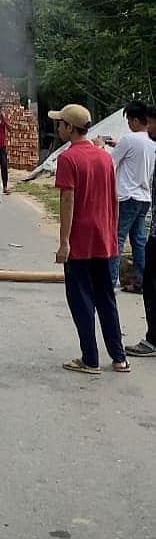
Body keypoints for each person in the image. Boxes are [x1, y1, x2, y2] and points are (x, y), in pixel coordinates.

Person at [50, 103, 130, 374]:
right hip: (104, 239)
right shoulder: (104, 157)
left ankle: (90, 359)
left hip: (80, 241)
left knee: (81, 298)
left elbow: (67, 200)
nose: (58, 127)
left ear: (70, 128)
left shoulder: (68, 159)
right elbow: (115, 198)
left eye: (60, 123)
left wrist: (64, 243)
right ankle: (119, 358)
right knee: (106, 297)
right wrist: (112, 231)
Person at [93, 102, 156, 292]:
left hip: (127, 196)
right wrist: (117, 144)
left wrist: (100, 147)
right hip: (144, 197)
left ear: (136, 120)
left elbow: (108, 164)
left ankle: (110, 281)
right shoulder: (151, 141)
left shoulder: (129, 140)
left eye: (129, 120)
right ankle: (141, 280)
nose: (128, 124)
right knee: (138, 241)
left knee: (116, 239)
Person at [125, 105, 156, 357]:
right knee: (138, 243)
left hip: (130, 198)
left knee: (152, 283)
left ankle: (153, 339)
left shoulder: (133, 140)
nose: (149, 128)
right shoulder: (152, 146)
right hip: (145, 202)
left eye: (152, 123)